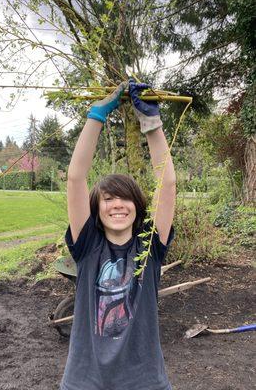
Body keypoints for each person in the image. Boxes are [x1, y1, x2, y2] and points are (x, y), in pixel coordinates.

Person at [61, 78, 176, 390]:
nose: (117, 205)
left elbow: (166, 185)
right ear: (96, 209)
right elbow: (75, 177)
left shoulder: (149, 246)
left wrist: (151, 124)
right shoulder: (87, 246)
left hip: (145, 381)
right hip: (86, 380)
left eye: (125, 198)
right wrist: (96, 116)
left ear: (138, 207)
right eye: (108, 199)